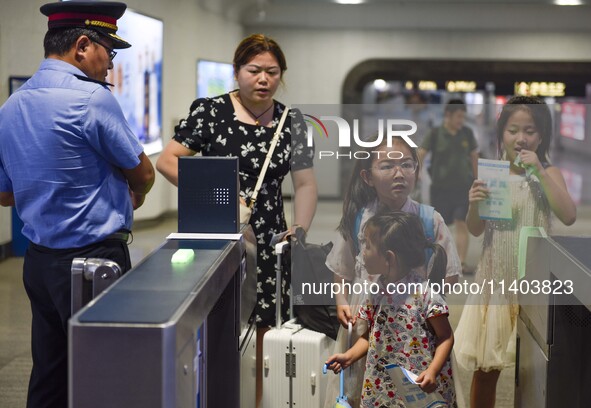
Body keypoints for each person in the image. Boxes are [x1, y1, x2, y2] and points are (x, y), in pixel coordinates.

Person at [0, 2, 155, 407]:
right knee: (106, 372)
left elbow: (3, 194)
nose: (110, 64)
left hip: (39, 263)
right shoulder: (91, 100)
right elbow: (144, 174)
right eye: (110, 51)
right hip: (92, 263)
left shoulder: (12, 106)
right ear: (84, 45)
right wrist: (126, 194)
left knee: (50, 372)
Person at [155, 34, 317, 406]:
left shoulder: (291, 121)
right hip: (217, 234)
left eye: (272, 72)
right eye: (254, 70)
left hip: (269, 237)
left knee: (265, 324)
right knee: (217, 320)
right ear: (237, 71)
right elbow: (167, 161)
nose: (263, 79)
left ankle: (258, 399)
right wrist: (216, 191)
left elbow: (305, 182)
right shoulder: (210, 112)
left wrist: (300, 228)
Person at [454, 96, 576, 408]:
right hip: (495, 282)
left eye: (530, 131)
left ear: (543, 136)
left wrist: (539, 171)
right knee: (486, 368)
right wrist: (473, 204)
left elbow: (568, 214)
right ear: (501, 134)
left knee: (535, 369)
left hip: (534, 283)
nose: (521, 138)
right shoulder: (491, 176)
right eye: (513, 130)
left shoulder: (549, 174)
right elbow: (476, 229)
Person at [324, 138, 461, 407]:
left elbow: (450, 273)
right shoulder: (359, 218)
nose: (399, 173)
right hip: (367, 319)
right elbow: (342, 266)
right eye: (387, 166)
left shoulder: (429, 219)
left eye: (407, 165)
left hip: (417, 334)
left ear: (417, 171)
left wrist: (425, 305)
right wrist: (341, 300)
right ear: (367, 177)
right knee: (363, 387)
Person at [325, 211, 456, 407]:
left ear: (389, 258)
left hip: (419, 385)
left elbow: (445, 336)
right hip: (383, 385)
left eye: (367, 246)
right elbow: (371, 336)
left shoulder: (425, 295)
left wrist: (433, 370)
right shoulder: (375, 291)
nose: (362, 254)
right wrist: (348, 356)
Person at [419, 99, 479, 274]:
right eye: (458, 116)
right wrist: (416, 172)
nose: (461, 120)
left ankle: (461, 262)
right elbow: (421, 153)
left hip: (463, 187)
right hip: (440, 189)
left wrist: (477, 179)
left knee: (462, 222)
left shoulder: (467, 133)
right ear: (448, 115)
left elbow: (474, 157)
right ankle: (439, 262)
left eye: (463, 116)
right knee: (439, 226)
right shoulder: (436, 134)